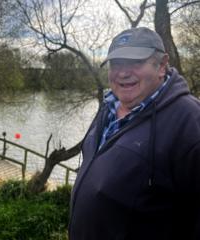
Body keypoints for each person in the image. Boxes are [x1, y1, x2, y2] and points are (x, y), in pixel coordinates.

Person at [69, 27, 200, 240]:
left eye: (135, 62)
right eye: (116, 63)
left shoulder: (189, 121)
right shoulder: (108, 107)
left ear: (162, 65)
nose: (123, 72)